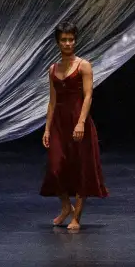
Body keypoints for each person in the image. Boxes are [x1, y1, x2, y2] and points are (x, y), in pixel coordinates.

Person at [40, 21, 108, 230]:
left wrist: (80, 123)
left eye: (71, 39)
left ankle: (76, 217)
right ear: (58, 43)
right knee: (55, 167)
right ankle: (65, 206)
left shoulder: (83, 65)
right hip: (60, 122)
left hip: (79, 122)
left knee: (81, 169)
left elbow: (88, 96)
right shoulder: (53, 69)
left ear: (75, 41)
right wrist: (47, 128)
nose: (68, 43)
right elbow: (52, 102)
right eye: (64, 40)